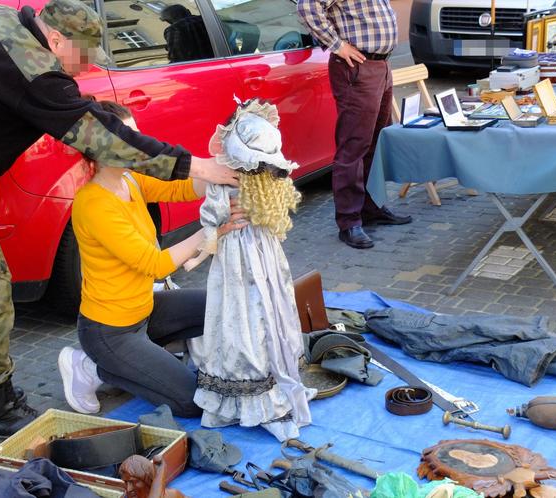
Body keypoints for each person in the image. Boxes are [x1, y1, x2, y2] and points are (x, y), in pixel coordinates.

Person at [0, 0, 237, 442]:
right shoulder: (31, 66)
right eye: (81, 59)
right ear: (56, 39)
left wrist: (197, 176)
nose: (83, 71)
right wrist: (196, 167)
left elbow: (84, 110)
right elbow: (94, 130)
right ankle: (0, 410)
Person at [58, 100, 247, 417]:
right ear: (101, 147)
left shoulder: (130, 178)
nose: (139, 145)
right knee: (192, 402)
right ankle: (92, 368)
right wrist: (213, 228)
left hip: (144, 311)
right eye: (128, 138)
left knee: (226, 303)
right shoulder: (94, 203)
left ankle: (141, 361)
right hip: (109, 333)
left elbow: (184, 188)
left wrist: (222, 169)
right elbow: (154, 264)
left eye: (138, 136)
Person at [186, 99, 316, 442]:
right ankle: (262, 394)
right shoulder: (264, 185)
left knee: (246, 320)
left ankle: (259, 392)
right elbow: (213, 228)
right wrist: (209, 241)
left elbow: (210, 227)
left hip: (243, 260)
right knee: (254, 318)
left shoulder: (223, 185)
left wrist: (209, 242)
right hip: (252, 260)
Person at [297, 0, 412, 250]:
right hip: (356, 68)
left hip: (380, 65)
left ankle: (371, 208)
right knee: (353, 147)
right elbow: (308, 7)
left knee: (375, 142)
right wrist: (337, 45)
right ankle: (349, 222)